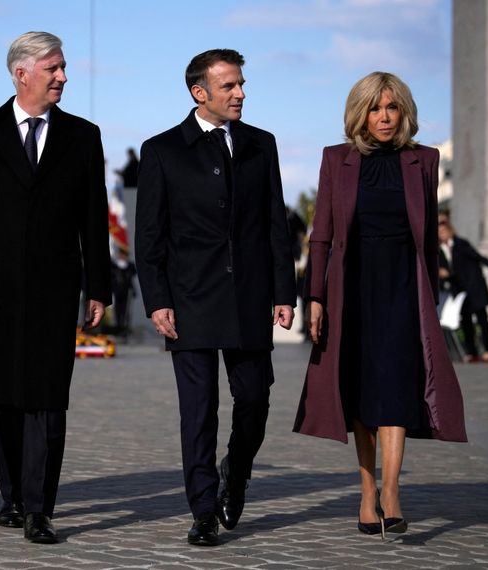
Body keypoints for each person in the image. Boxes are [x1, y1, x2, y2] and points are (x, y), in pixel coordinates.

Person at [0, 31, 111, 544]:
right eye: (54, 68)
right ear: (22, 73)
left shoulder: (83, 136)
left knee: (47, 398)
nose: (63, 76)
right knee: (2, 398)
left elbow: (93, 220)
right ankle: (12, 495)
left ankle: (39, 508)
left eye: (62, 68)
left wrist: (97, 287)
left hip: (55, 290)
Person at [293, 71, 467, 539]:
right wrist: (315, 297)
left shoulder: (423, 161)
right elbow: (322, 235)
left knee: (396, 385)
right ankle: (367, 491)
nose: (384, 117)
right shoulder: (337, 159)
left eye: (391, 107)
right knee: (360, 390)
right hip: (352, 290)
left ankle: (391, 492)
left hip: (404, 291)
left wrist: (429, 297)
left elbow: (428, 242)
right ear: (359, 113)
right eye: (374, 108)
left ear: (404, 111)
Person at [135, 49, 296, 546]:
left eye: (241, 83)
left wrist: (283, 291)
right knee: (198, 410)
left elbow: (276, 225)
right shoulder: (162, 150)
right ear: (199, 92)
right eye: (229, 86)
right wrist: (157, 299)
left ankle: (238, 470)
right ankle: (203, 509)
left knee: (254, 398)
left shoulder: (260, 145)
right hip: (190, 301)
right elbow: (149, 236)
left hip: (249, 298)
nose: (241, 93)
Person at [438, 218, 488, 362]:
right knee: (466, 322)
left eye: (444, 231)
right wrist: (444, 274)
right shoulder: (439, 251)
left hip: (475, 287)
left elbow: (479, 258)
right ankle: (472, 352)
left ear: (450, 231)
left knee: (482, 320)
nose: (442, 234)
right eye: (439, 232)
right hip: (460, 292)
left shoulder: (461, 244)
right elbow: (444, 273)